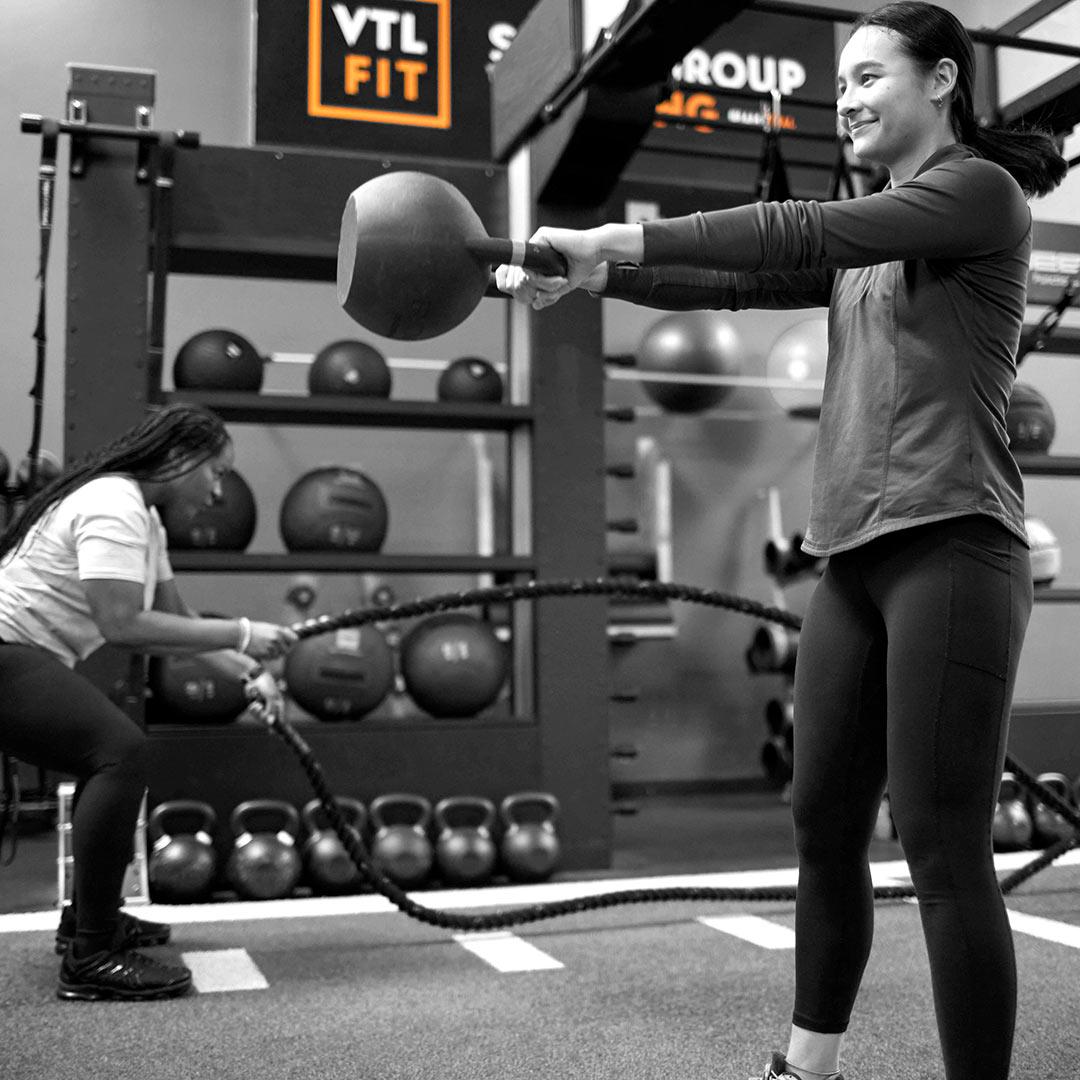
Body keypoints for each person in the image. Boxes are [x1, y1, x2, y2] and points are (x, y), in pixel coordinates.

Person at [497, 3, 1067, 1078]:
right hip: (853, 560)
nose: (844, 99)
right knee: (821, 826)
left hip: (954, 543)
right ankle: (805, 1068)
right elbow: (743, 278)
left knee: (943, 848)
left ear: (943, 81)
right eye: (838, 84)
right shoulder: (880, 228)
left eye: (867, 77)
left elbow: (788, 230)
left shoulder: (974, 195)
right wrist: (593, 275)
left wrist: (618, 235)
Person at [0, 402, 297, 1001]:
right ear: (180, 457)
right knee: (120, 753)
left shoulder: (147, 521)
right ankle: (91, 957)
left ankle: (90, 921)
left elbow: (175, 625)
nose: (219, 492)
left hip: (22, 655)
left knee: (106, 756)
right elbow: (123, 623)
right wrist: (243, 632)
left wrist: (249, 676)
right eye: (216, 472)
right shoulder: (112, 502)